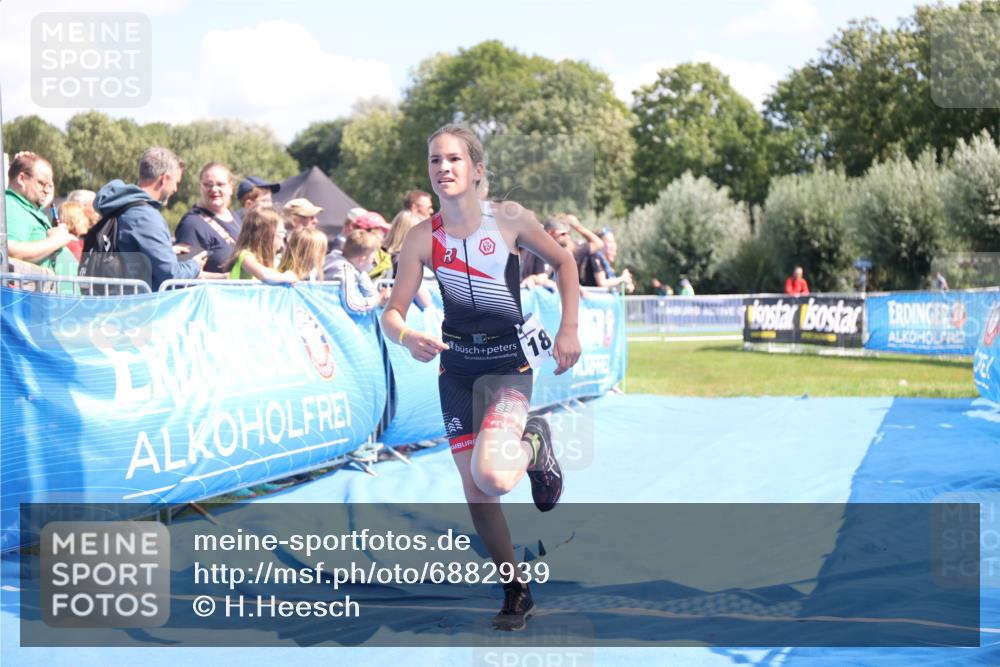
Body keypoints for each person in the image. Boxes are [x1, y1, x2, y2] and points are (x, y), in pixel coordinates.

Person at [381, 124, 581, 631]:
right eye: (434, 161)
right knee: (478, 492)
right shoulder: (423, 238)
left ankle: (534, 442)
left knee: (492, 473)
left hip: (507, 366)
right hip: (457, 371)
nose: (443, 169)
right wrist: (409, 337)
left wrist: (569, 329)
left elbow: (563, 262)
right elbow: (393, 313)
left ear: (476, 170)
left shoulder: (509, 219)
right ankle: (516, 589)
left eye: (453, 159)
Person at [94, 147, 207, 290]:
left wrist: (167, 251)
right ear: (164, 179)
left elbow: (128, 252)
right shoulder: (145, 216)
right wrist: (195, 265)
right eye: (176, 183)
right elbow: (171, 274)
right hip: (137, 307)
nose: (175, 190)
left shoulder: (119, 205)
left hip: (110, 301)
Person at [5, 152, 77, 279]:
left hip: (56, 294)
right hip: (42, 295)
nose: (47, 190)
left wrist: (27, 161)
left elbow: (47, 193)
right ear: (21, 179)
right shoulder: (11, 206)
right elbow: (11, 251)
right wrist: (56, 240)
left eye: (49, 185)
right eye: (42, 183)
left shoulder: (27, 205)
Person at [175, 163, 242, 274]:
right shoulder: (192, 224)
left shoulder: (236, 218)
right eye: (208, 185)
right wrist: (224, 278)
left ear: (231, 188)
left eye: (220, 184)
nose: (214, 189)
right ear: (200, 187)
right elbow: (186, 273)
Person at [325, 230, 390, 313]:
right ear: (361, 260)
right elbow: (351, 305)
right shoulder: (344, 270)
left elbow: (370, 291)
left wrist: (381, 297)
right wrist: (377, 302)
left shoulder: (357, 266)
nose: (373, 263)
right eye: (372, 259)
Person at [226, 207, 297, 283]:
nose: (283, 236)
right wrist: (285, 277)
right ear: (266, 236)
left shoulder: (267, 260)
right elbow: (264, 275)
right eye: (281, 232)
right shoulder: (245, 256)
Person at [585, 227, 634, 292]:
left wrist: (624, 285)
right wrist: (622, 278)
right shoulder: (595, 257)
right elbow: (602, 283)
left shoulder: (606, 264)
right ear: (600, 243)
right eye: (609, 242)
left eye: (614, 242)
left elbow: (610, 289)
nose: (613, 246)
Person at [354, 211, 393, 280]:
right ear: (370, 234)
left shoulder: (383, 257)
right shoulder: (351, 257)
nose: (383, 235)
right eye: (381, 231)